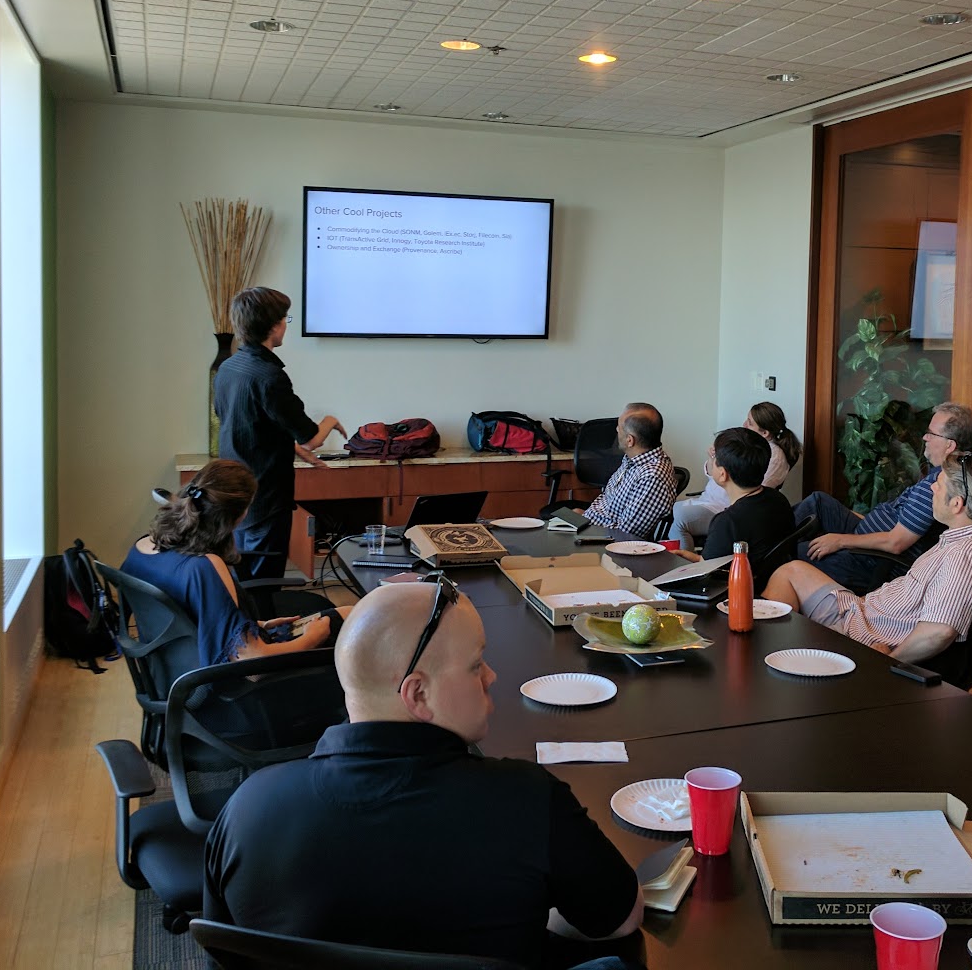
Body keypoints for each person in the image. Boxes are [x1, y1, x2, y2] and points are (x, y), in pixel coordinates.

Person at [203, 578, 643, 969]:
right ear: (417, 694)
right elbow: (620, 921)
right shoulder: (528, 800)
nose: (491, 676)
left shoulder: (246, 809)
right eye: (476, 664)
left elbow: (225, 951)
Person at [764, 450, 972, 664]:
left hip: (861, 634)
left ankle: (769, 658)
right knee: (792, 569)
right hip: (866, 612)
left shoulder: (964, 557)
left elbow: (939, 631)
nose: (932, 489)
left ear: (957, 504)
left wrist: (889, 662)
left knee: (784, 577)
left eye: (938, 484)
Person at [121, 459, 349, 666]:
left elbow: (188, 618)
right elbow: (252, 662)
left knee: (347, 615)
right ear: (240, 514)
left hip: (173, 671)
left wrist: (256, 626)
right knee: (352, 618)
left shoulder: (141, 547)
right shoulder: (204, 567)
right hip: (224, 686)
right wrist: (312, 638)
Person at [214, 286, 348, 578]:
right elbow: (311, 438)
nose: (285, 326)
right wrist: (330, 420)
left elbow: (248, 426)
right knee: (265, 579)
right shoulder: (270, 376)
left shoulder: (229, 368)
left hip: (235, 494)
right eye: (285, 320)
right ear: (273, 326)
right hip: (265, 498)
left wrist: (293, 449)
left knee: (241, 576)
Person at [791, 402, 972, 594]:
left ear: (950, 445)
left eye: (931, 433)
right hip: (868, 540)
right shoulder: (949, 474)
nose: (925, 437)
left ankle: (774, 556)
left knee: (794, 553)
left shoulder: (938, 486)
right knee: (819, 502)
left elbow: (895, 543)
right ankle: (772, 542)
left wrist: (839, 541)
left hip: (872, 561)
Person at [669, 402, 801, 550]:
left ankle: (681, 562)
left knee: (680, 519)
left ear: (765, 433)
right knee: (675, 510)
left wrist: (721, 461)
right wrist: (714, 458)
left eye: (750, 423)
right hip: (715, 501)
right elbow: (717, 474)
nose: (744, 424)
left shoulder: (770, 456)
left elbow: (752, 489)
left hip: (727, 508)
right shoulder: (747, 447)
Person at [700, 427, 798, 586]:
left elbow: (704, 575)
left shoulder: (727, 522)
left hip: (738, 592)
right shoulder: (778, 499)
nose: (711, 460)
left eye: (713, 457)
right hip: (774, 584)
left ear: (723, 474)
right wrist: (696, 558)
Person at [581, 402, 677, 537]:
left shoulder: (652, 477)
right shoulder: (632, 460)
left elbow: (625, 535)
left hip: (605, 542)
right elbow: (607, 501)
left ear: (630, 440)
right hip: (591, 527)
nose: (616, 430)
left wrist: (586, 526)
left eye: (619, 428)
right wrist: (585, 517)